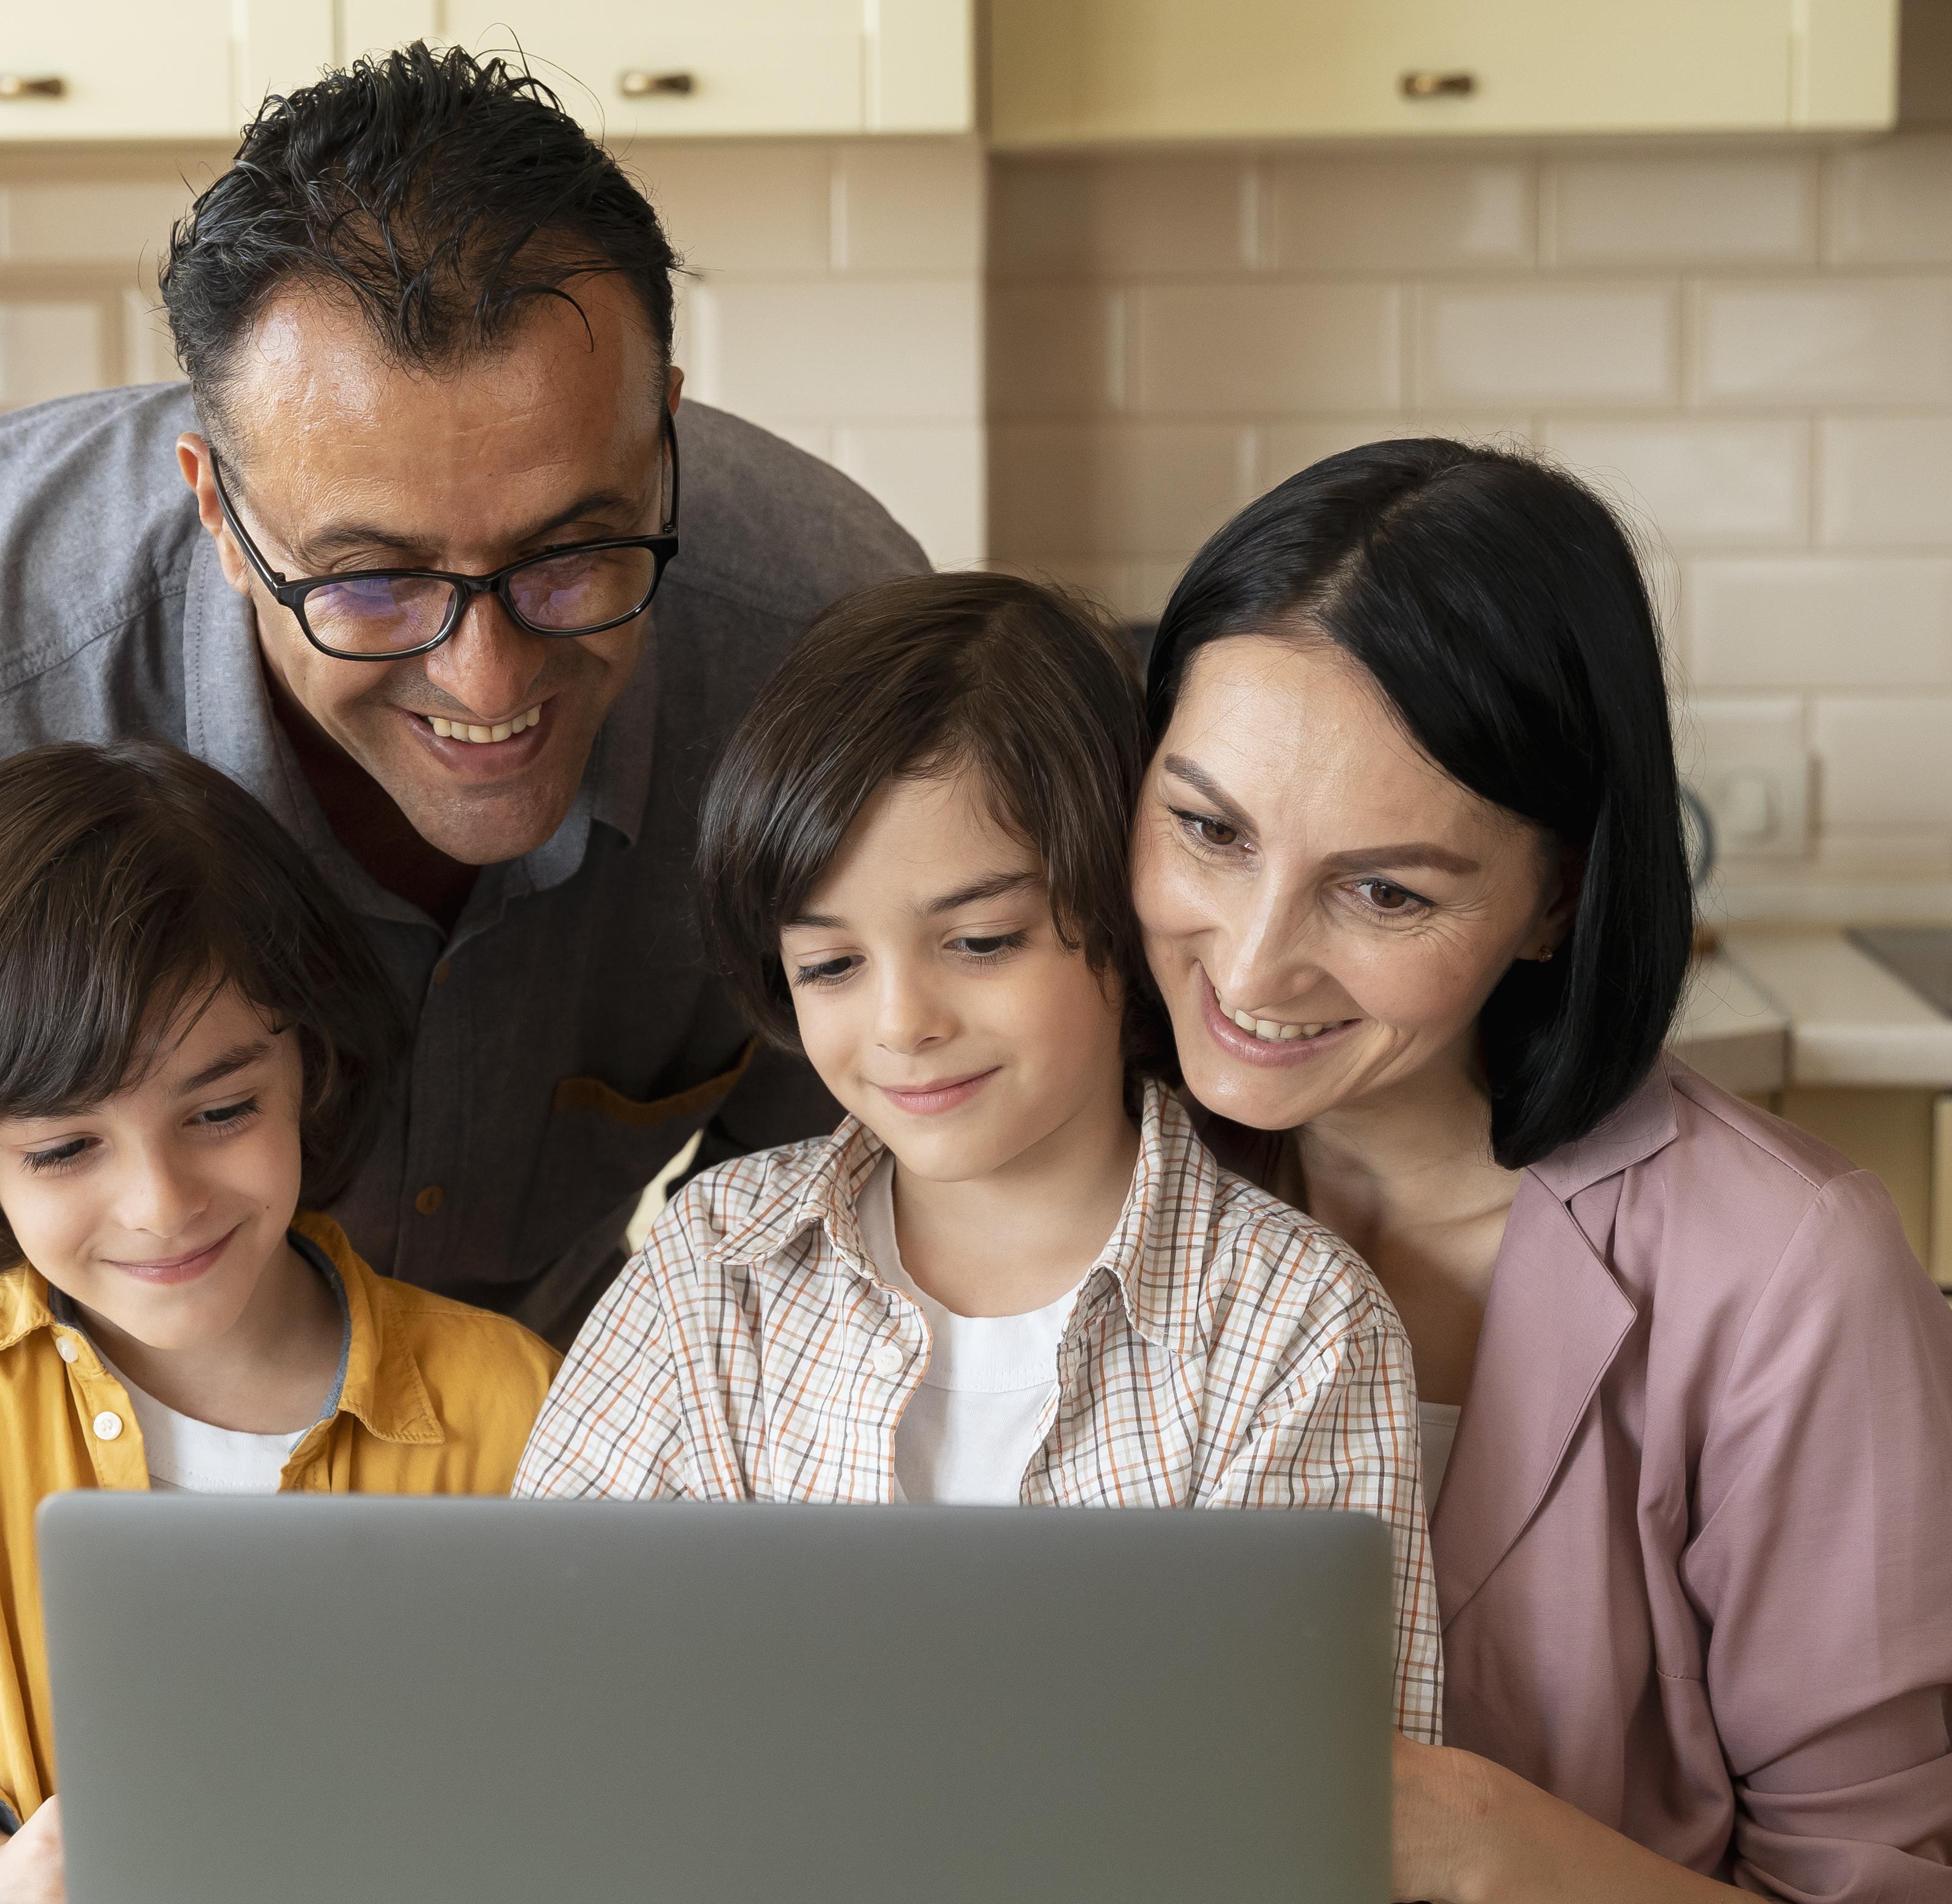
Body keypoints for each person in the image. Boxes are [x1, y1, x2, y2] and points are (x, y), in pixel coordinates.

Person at [0, 46, 924, 1900]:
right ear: (217, 506)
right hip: (0, 1767)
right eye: (373, 583)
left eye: (568, 560)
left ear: (667, 441)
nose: (484, 684)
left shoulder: (821, 673)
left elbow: (858, 1265)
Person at [1130, 439, 1952, 1904]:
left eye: (1387, 891)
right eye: (1208, 831)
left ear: (1554, 899)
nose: (1254, 961)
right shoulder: (1061, 1181)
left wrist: (1469, 1834)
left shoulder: (1785, 1277)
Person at [516, 572, 1444, 1745]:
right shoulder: (711, 1270)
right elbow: (543, 1683)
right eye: (831, 966)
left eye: (981, 940)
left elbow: (1326, 1804)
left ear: (1129, 902)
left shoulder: (1293, 1324)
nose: (904, 1023)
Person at [0, 742, 557, 1904]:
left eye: (221, 1110)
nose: (162, 1203)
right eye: (66, 1147)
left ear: (311, 1068)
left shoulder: (515, 1401)